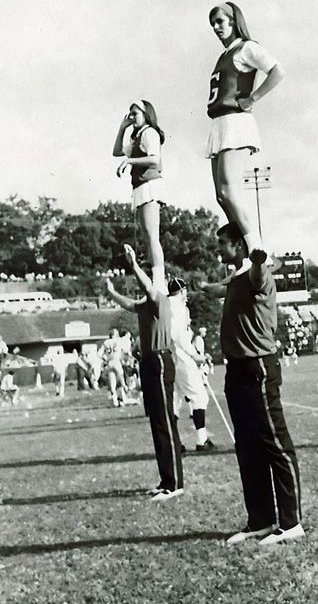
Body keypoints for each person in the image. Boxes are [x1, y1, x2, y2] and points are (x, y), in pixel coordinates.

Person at [201, 225, 302, 546]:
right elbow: (219, 288)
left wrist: (258, 260)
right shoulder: (236, 279)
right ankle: (260, 520)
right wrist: (202, 288)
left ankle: (291, 523)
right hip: (237, 370)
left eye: (223, 243)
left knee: (275, 443)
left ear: (240, 247)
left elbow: (259, 273)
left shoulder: (259, 275)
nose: (218, 248)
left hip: (258, 366)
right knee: (247, 447)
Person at [105, 245, 184, 501]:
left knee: (165, 421)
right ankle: (166, 480)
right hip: (149, 362)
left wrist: (133, 265)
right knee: (157, 423)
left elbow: (148, 287)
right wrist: (112, 292)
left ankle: (174, 484)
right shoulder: (147, 305)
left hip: (160, 361)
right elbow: (130, 304)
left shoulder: (159, 299)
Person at [207, 2, 285, 259]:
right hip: (218, 124)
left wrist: (253, 98)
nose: (217, 27)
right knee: (221, 196)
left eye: (220, 21)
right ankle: (241, 252)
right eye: (213, 24)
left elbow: (277, 71)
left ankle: (258, 250)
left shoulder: (246, 48)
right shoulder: (223, 56)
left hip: (235, 122)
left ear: (234, 20)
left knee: (230, 191)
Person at [112, 101, 166, 288]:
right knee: (146, 237)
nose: (132, 117)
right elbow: (116, 151)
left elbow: (154, 158)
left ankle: (160, 281)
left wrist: (130, 161)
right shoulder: (138, 137)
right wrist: (122, 128)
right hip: (140, 187)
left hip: (150, 185)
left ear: (146, 114)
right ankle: (155, 276)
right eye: (130, 114)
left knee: (152, 236)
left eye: (135, 113)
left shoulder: (150, 132)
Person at [167, 277, 215, 453]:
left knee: (176, 401)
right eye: (185, 291)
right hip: (182, 357)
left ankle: (174, 443)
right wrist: (195, 355)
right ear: (181, 291)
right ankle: (202, 441)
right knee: (200, 397)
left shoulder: (167, 305)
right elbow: (178, 335)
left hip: (171, 358)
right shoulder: (179, 307)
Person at [99, 329, 128, 406]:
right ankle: (124, 396)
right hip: (116, 362)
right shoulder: (118, 340)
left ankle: (115, 401)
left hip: (109, 363)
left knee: (112, 383)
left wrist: (105, 359)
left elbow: (99, 354)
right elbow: (125, 350)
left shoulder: (106, 342)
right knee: (122, 381)